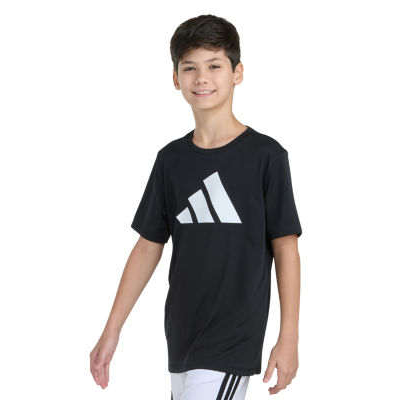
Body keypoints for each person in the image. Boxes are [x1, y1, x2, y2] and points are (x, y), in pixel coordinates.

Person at [90, 14, 302, 400]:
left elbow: (285, 247)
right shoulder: (171, 161)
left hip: (231, 339)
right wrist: (112, 330)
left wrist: (288, 337)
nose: (202, 78)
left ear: (237, 73)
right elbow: (148, 246)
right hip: (181, 337)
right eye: (190, 68)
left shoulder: (266, 157)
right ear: (176, 79)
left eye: (214, 66)